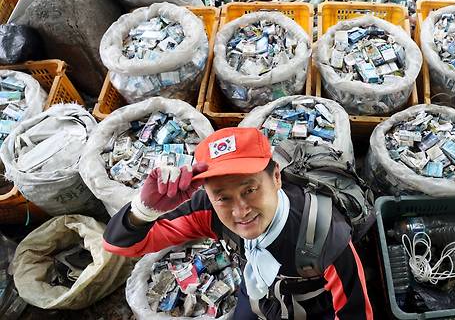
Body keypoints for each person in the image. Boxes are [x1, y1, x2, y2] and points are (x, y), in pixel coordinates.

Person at [103, 127, 373, 319]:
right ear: (208, 194)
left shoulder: (324, 234)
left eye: (250, 190)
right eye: (223, 197)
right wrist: (144, 209)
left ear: (276, 177)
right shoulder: (208, 211)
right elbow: (122, 245)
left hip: (314, 308)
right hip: (255, 294)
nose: (240, 211)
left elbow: (356, 312)